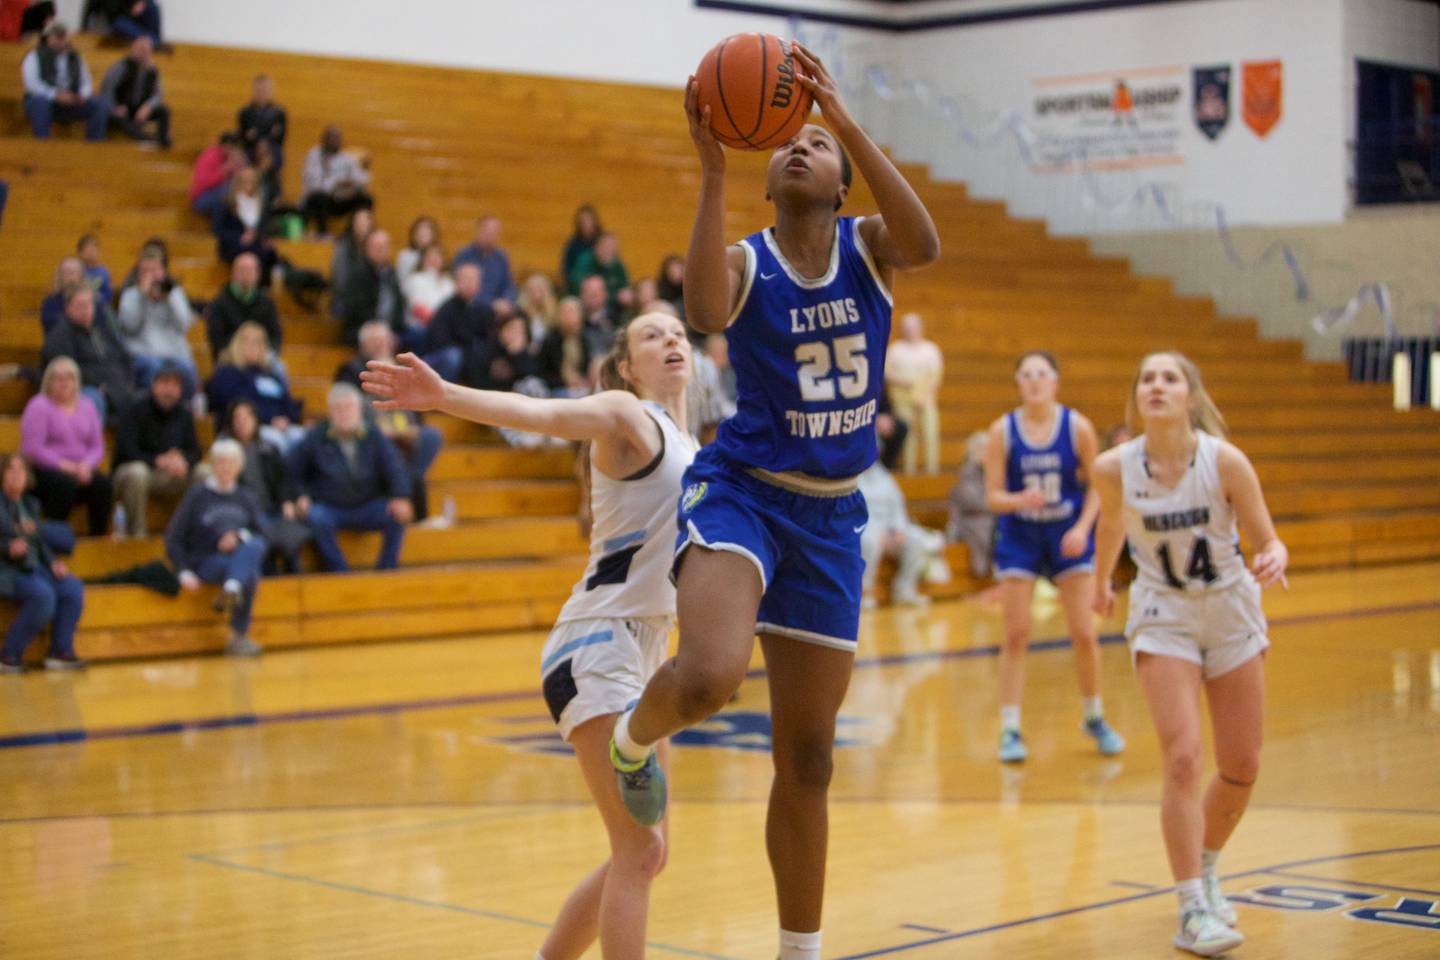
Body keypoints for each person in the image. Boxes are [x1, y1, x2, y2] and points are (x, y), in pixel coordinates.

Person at [605, 47, 940, 960]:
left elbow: (927, 244)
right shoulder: (748, 261)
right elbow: (705, 309)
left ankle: (801, 951)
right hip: (744, 494)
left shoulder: (870, 250)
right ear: (764, 176)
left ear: (841, 185)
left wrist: (845, 117)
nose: (805, 149)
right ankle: (633, 741)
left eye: (821, 146)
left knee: (810, 759)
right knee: (711, 677)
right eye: (793, 143)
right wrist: (712, 168)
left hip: (833, 517)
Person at [360, 311, 696, 960]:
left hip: (652, 655)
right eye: (652, 335)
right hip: (598, 646)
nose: (672, 340)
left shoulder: (693, 448)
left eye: (678, 331)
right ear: (626, 367)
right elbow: (542, 415)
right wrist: (446, 397)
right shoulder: (628, 413)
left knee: (648, 853)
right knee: (639, 849)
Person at [1092, 351, 1288, 957]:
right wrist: (1102, 580)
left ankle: (1205, 865)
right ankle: (1190, 908)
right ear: (1137, 399)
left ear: (1191, 397)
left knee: (1241, 765)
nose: (1156, 385)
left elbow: (1266, 534)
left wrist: (1274, 553)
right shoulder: (1113, 467)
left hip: (1230, 611)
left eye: (1168, 378)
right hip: (1163, 615)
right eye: (1146, 377)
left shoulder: (1225, 461)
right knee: (1182, 757)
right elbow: (1111, 527)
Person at [983, 351, 1123, 763]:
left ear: (1056, 381)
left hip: (1067, 535)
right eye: (1025, 375)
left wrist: (1082, 527)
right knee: (1016, 633)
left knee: (1084, 631)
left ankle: (1094, 716)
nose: (1034, 381)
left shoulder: (1077, 426)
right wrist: (1017, 499)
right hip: (1021, 536)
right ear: (1018, 384)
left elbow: (1099, 485)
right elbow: (992, 495)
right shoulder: (1001, 431)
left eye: (1041, 374)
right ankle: (1009, 727)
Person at [288, 383, 411, 571]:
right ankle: (340, 573)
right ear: (330, 412)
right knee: (316, 517)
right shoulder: (316, 437)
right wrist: (300, 495)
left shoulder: (373, 434)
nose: (344, 414)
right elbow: (294, 472)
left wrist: (400, 495)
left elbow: (395, 467)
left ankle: (387, 571)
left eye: (348, 408)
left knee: (398, 514)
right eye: (338, 409)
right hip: (330, 507)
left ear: (359, 410)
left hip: (367, 504)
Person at [166, 439, 267, 658]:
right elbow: (173, 537)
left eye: (231, 463)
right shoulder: (197, 496)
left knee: (254, 547)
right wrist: (183, 571)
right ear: (212, 465)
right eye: (221, 462)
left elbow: (263, 533)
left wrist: (238, 537)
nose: (226, 468)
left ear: (240, 466)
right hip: (206, 560)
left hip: (237, 558)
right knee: (249, 572)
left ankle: (231, 588)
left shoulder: (246, 497)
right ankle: (238, 637)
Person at [335, 322, 443, 520]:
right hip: (371, 431)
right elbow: (347, 408)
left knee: (432, 436)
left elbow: (418, 412)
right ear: (363, 345)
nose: (380, 344)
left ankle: (409, 479)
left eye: (383, 340)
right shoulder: (351, 370)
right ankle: (407, 485)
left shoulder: (404, 369)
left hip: (403, 431)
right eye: (374, 341)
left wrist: (409, 430)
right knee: (378, 436)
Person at [0, 454, 85, 673]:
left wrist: (53, 561)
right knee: (43, 595)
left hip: (35, 566)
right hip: (8, 568)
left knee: (72, 588)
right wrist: (7, 548)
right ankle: (9, 655)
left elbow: (38, 542)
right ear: (2, 474)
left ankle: (60, 651)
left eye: (22, 469)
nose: (17, 473)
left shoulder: (30, 504)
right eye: (11, 469)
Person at [20, 357, 112, 536]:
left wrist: (86, 466)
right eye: (58, 378)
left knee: (103, 485)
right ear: (48, 381)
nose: (64, 382)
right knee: (64, 485)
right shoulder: (39, 405)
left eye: (69, 377)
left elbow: (97, 446)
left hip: (81, 469)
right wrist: (68, 467)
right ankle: (53, 537)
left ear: (76, 381)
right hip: (45, 470)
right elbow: (33, 449)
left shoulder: (87, 406)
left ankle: (98, 539)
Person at [112, 363, 200, 537]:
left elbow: (196, 451)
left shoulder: (184, 413)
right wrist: (158, 460)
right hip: (136, 473)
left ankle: (194, 532)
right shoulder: (135, 408)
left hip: (171, 474)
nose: (169, 390)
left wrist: (183, 460)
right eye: (165, 383)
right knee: (137, 472)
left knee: (204, 473)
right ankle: (138, 534)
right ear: (154, 385)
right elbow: (126, 450)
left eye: (175, 385)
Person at [856, 456, 943, 608]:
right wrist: (877, 530)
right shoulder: (851, 476)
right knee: (870, 542)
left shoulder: (884, 476)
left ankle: (904, 590)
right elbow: (855, 510)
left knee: (916, 539)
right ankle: (864, 593)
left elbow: (897, 505)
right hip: (866, 527)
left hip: (890, 527)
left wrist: (898, 528)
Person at [40, 286, 133, 423]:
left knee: (143, 399)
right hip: (86, 387)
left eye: (88, 304)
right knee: (91, 400)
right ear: (68, 308)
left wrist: (129, 380)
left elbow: (124, 357)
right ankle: (87, 442)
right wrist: (100, 384)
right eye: (80, 305)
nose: (85, 309)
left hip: (116, 383)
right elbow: (65, 371)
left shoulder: (102, 330)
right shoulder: (60, 336)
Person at [206, 322, 304, 451]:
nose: (253, 347)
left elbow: (287, 402)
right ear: (237, 345)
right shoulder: (227, 372)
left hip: (279, 425)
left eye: (258, 342)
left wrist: (286, 419)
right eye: (247, 342)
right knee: (276, 441)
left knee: (302, 437)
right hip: (246, 429)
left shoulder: (271, 374)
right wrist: (270, 420)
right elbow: (236, 405)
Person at [115, 252, 196, 394]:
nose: (151, 276)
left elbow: (184, 324)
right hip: (143, 352)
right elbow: (130, 327)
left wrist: (169, 297)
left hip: (174, 352)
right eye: (146, 271)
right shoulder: (131, 295)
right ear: (139, 275)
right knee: (154, 369)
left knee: (188, 370)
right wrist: (142, 297)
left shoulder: (175, 293)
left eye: (155, 271)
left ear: (163, 272)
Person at [21, 22, 107, 141]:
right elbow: (32, 84)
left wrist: (81, 95)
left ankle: (93, 147)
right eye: (57, 37)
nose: (60, 41)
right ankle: (43, 147)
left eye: (62, 37)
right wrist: (55, 95)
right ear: (48, 39)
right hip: (46, 101)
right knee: (40, 102)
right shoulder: (35, 56)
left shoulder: (75, 58)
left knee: (99, 104)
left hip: (71, 101)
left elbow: (86, 82)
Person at [885, 311, 942, 474]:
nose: (910, 331)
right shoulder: (896, 349)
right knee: (908, 437)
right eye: (907, 328)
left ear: (920, 328)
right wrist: (903, 382)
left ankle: (932, 472)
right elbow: (886, 373)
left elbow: (936, 376)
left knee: (930, 434)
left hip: (926, 399)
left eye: (913, 327)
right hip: (902, 399)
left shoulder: (931, 349)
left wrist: (925, 395)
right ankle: (910, 472)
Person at [206, 253, 282, 361]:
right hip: (230, 358)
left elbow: (276, 336)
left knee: (279, 369)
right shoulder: (219, 303)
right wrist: (239, 353)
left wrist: (263, 353)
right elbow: (216, 340)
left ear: (258, 274)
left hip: (261, 358)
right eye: (242, 270)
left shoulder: (267, 303)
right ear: (233, 273)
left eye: (250, 270)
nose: (246, 274)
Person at [335, 229, 403, 347]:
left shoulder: (391, 274)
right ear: (367, 249)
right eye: (377, 247)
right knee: (379, 340)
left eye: (384, 246)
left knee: (418, 335)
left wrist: (394, 329)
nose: (381, 250)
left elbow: (399, 305)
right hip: (361, 328)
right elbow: (355, 309)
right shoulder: (357, 273)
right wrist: (379, 328)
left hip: (389, 329)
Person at [425, 262, 491, 383]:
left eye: (473, 279)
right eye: (465, 279)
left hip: (468, 355)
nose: (469, 283)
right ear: (456, 283)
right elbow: (439, 341)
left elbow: (487, 338)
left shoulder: (483, 309)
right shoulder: (447, 308)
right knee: (453, 356)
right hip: (441, 356)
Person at [300, 125, 372, 235]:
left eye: (338, 137)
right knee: (319, 197)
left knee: (366, 199)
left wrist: (354, 184)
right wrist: (335, 185)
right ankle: (322, 234)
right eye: (332, 137)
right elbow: (314, 186)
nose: (336, 141)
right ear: (324, 139)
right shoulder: (315, 155)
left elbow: (361, 180)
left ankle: (353, 234)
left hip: (339, 200)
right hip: (317, 200)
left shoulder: (346, 159)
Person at [99, 35, 169, 147]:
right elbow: (106, 90)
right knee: (119, 117)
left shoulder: (152, 70)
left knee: (164, 110)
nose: (143, 54)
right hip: (120, 108)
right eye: (140, 50)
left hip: (138, 109)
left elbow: (157, 95)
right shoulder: (121, 67)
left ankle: (163, 140)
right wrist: (114, 107)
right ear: (133, 49)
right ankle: (142, 137)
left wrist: (148, 107)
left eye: (146, 51)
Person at [214, 165, 280, 278]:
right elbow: (218, 229)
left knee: (270, 253)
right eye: (244, 181)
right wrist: (239, 238)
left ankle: (262, 289)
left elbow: (264, 228)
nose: (248, 184)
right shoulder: (227, 203)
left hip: (255, 243)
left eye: (251, 181)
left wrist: (262, 237)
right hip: (233, 244)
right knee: (251, 255)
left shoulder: (261, 205)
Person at [947, 430, 994, 580]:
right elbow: (973, 502)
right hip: (969, 520)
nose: (988, 453)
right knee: (987, 529)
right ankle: (988, 574)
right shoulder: (967, 471)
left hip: (989, 516)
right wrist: (1000, 502)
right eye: (984, 449)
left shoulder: (994, 470)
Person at [452, 215, 517, 318]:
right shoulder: (464, 255)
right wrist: (491, 304)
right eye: (487, 232)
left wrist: (507, 301)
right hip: (472, 309)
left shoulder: (501, 258)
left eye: (495, 233)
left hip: (499, 310)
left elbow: (509, 286)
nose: (491, 236)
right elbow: (462, 289)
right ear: (478, 231)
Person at [536, 296, 594, 397]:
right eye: (564, 312)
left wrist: (583, 381)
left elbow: (588, 367)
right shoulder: (550, 340)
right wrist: (566, 382)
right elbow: (542, 373)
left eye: (572, 312)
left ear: (580, 315)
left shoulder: (585, 339)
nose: (568, 316)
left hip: (582, 386)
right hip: (557, 389)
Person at [568, 232, 632, 317]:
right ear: (597, 247)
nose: (609, 251)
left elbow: (625, 286)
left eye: (612, 249)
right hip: (584, 308)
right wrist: (615, 296)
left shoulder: (617, 263)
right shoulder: (585, 262)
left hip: (610, 308)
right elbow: (579, 290)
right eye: (606, 247)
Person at [400, 243, 454, 343]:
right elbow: (418, 310)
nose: (434, 260)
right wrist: (441, 324)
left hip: (444, 327)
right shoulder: (415, 279)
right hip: (421, 327)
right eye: (430, 257)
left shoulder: (449, 282)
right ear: (423, 259)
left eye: (437, 256)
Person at [190, 132, 245, 221]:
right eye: (234, 148)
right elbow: (203, 183)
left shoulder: (234, 156)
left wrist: (240, 167)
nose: (236, 150)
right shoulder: (209, 156)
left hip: (221, 193)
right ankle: (219, 229)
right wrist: (224, 170)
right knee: (229, 190)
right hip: (201, 197)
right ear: (226, 146)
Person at [237, 74, 286, 172]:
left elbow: (280, 137)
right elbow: (243, 136)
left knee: (272, 155)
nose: (262, 93)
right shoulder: (245, 112)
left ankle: (263, 179)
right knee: (241, 157)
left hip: (272, 148)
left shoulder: (279, 113)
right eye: (259, 90)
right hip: (250, 148)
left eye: (265, 90)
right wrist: (257, 142)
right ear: (253, 91)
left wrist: (265, 141)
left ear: (271, 92)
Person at [560, 203, 602, 292]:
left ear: (595, 221)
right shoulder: (573, 244)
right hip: (579, 287)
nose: (586, 224)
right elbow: (566, 269)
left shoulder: (602, 242)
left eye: (589, 220)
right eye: (583, 221)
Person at [40, 255, 87, 332]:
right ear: (60, 277)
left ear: (81, 277)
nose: (72, 278)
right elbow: (51, 326)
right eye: (67, 273)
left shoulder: (93, 303)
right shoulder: (50, 302)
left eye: (75, 273)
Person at [516, 271, 558, 345]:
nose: (536, 294)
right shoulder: (519, 314)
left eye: (540, 290)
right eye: (531, 290)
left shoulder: (555, 314)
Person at [396, 215, 438, 279]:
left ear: (433, 235)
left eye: (427, 229)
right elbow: (403, 281)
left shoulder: (438, 256)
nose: (424, 233)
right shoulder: (405, 256)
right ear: (414, 234)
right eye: (420, 230)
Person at [77, 234, 113, 308]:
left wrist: (99, 298)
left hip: (99, 307)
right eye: (87, 248)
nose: (91, 252)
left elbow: (108, 295)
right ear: (80, 252)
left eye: (94, 248)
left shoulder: (104, 272)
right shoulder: (76, 270)